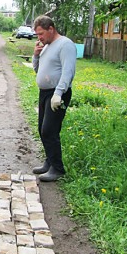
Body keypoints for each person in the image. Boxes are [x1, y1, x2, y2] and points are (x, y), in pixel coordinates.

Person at [31, 15, 77, 182]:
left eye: (41, 34)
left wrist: (59, 93)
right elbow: (38, 70)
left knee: (49, 130)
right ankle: (49, 162)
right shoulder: (47, 46)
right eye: (37, 35)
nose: (39, 38)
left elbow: (68, 71)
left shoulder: (65, 45)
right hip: (45, 93)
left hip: (58, 94)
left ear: (51, 29)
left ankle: (57, 168)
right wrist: (36, 56)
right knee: (42, 129)